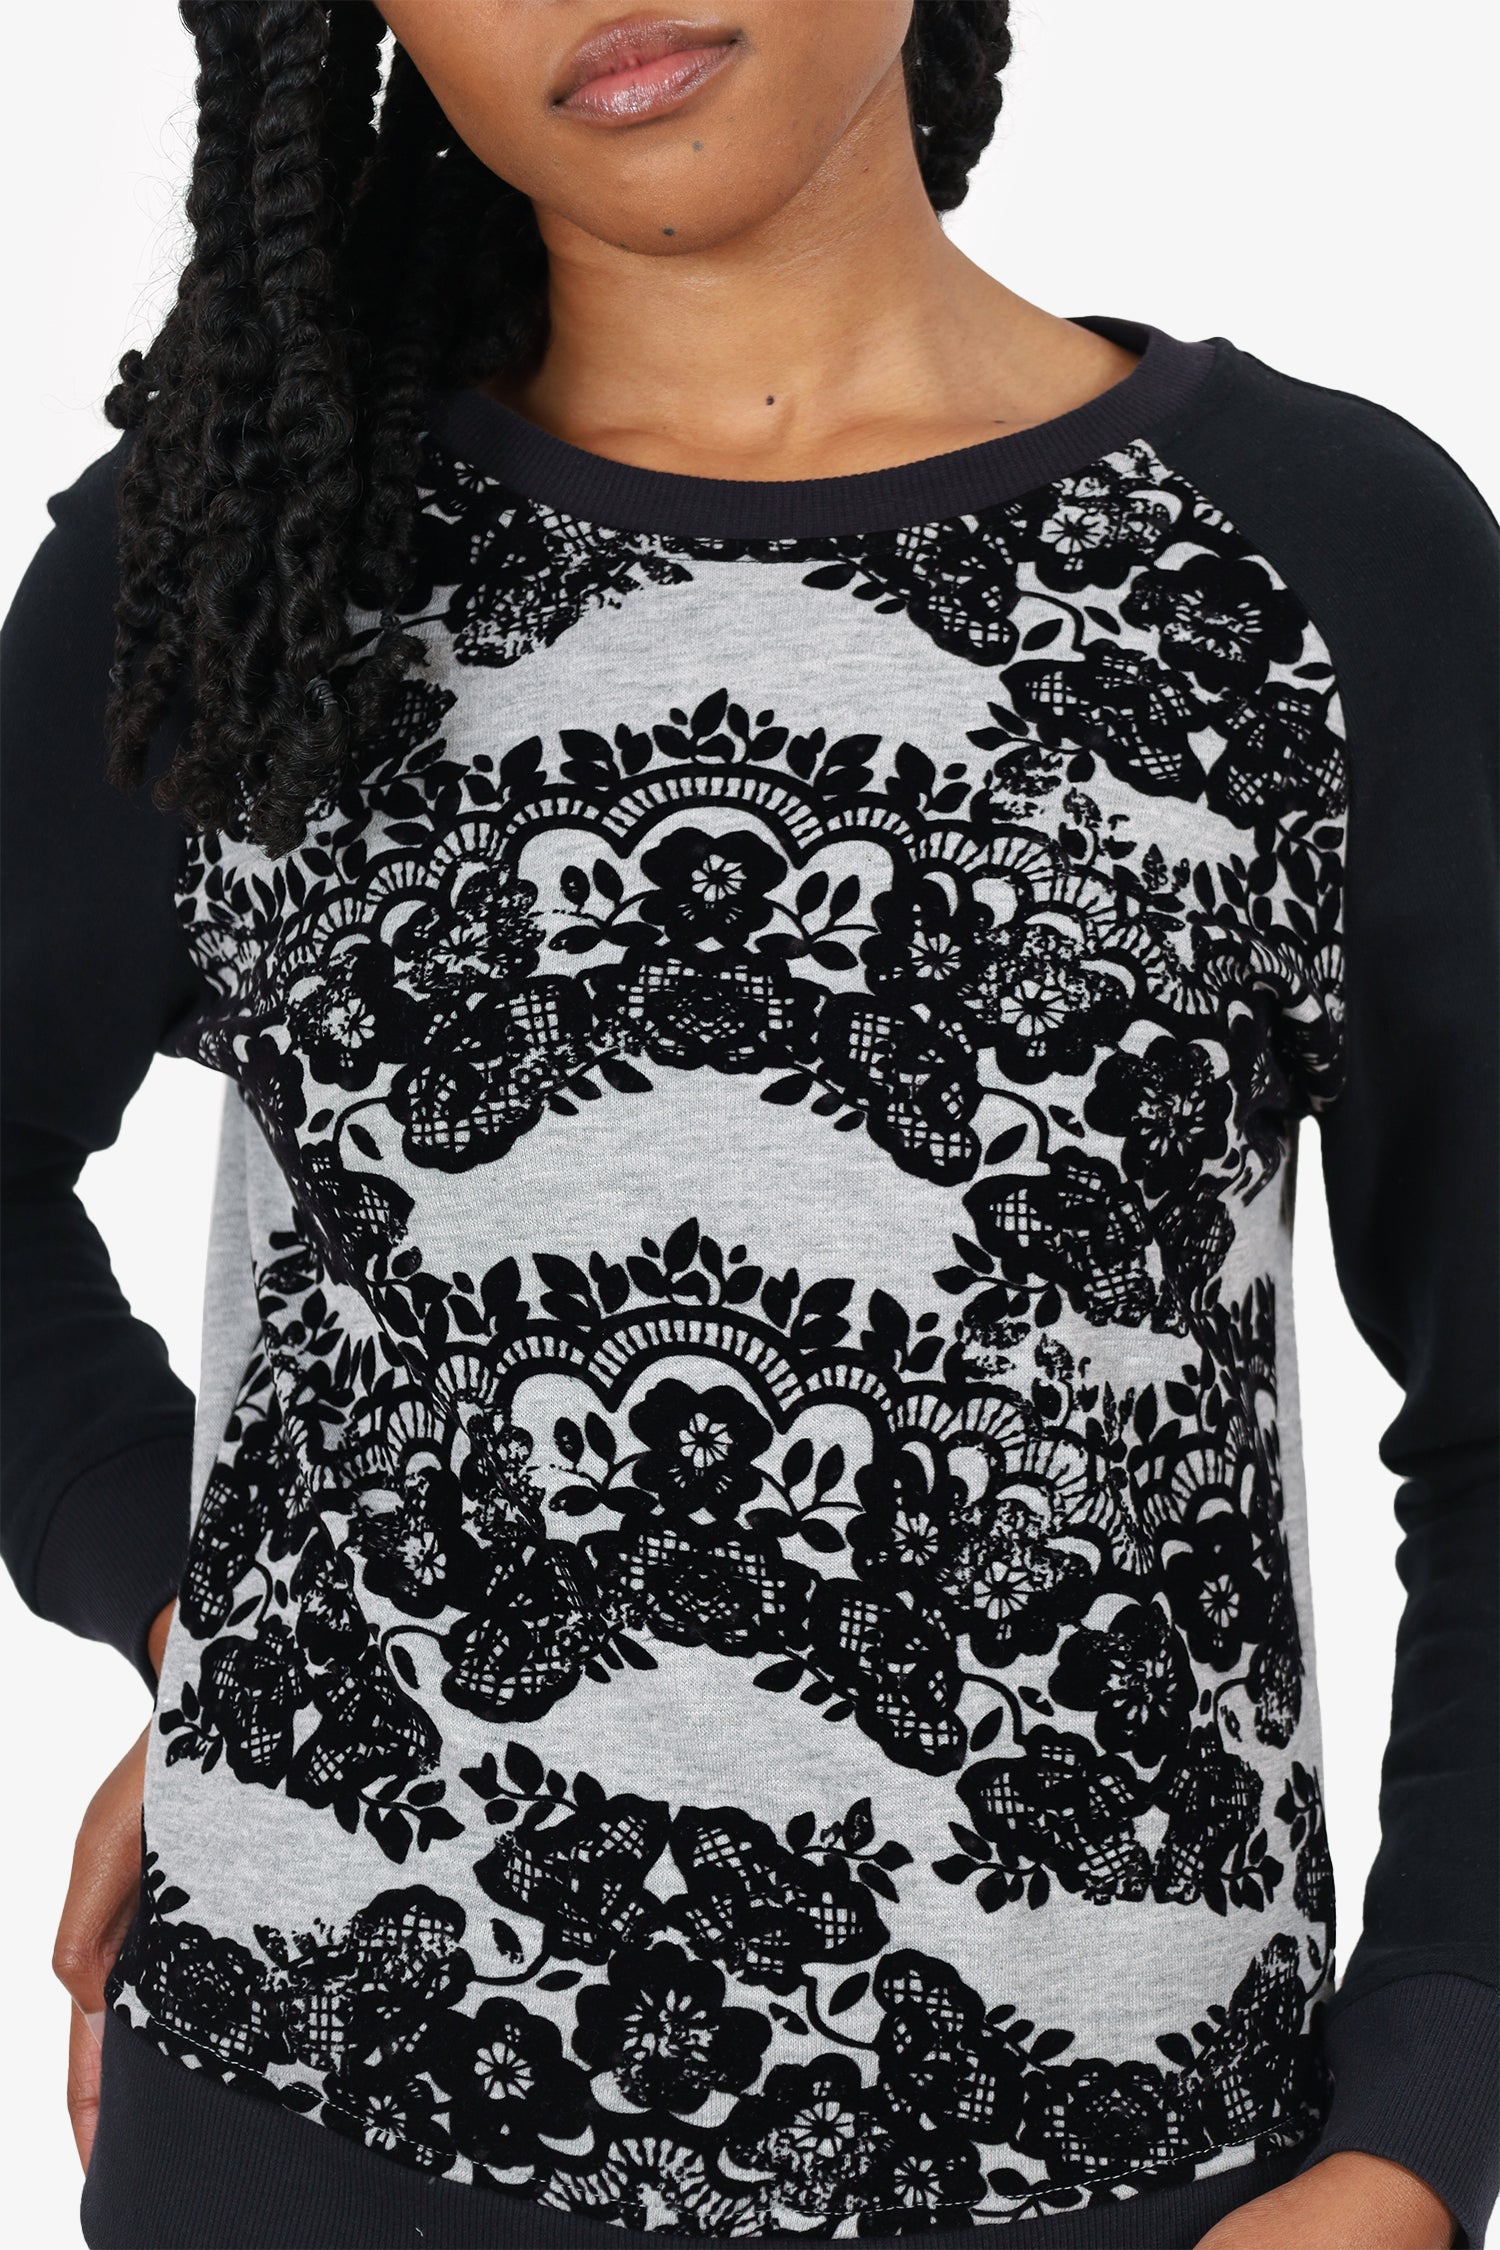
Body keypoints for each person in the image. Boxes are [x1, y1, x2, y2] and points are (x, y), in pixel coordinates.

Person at [2, 4, 1495, 2246]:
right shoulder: (250, 552)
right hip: (312, 2138)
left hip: (1116, 2179)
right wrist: (186, 1601)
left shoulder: (1314, 571)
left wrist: (1425, 2122)